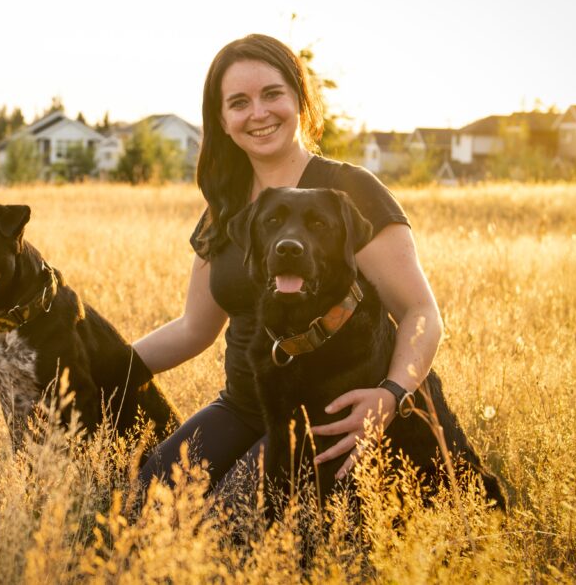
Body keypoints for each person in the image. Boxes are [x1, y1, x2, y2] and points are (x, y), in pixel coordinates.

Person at [133, 34, 442, 495]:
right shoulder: (225, 208)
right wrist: (105, 368)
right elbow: (192, 328)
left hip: (326, 412)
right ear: (222, 120)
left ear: (300, 98)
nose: (258, 113)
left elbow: (421, 313)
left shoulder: (350, 190)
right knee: (146, 495)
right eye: (239, 102)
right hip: (243, 406)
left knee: (230, 525)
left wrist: (392, 395)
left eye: (272, 94)